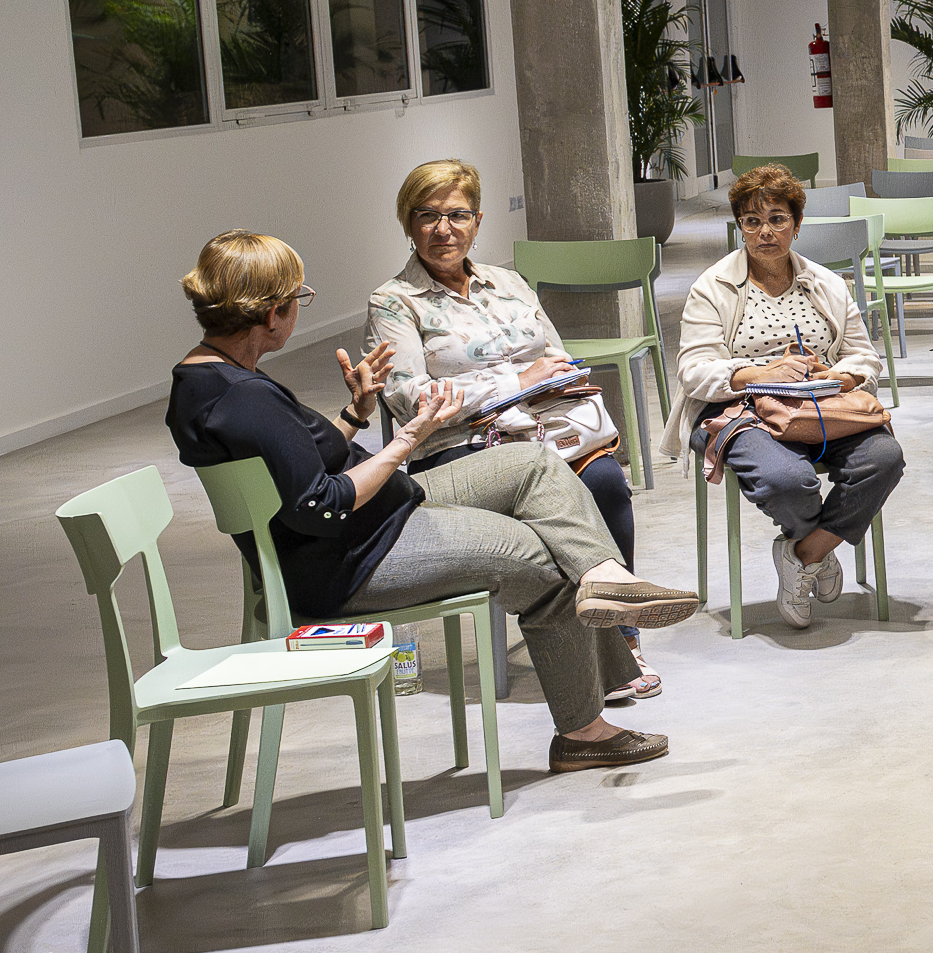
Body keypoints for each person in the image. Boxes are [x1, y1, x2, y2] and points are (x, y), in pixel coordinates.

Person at [165, 231, 693, 773]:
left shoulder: (207, 378)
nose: (299, 309)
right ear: (272, 312)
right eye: (298, 298)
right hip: (351, 559)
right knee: (543, 557)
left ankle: (604, 576)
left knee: (533, 464)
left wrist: (355, 414)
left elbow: (297, 468)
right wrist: (405, 441)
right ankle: (584, 733)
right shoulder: (243, 397)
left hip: (376, 519)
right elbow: (321, 506)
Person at [366, 158, 664, 705]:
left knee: (605, 482)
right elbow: (411, 399)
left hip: (548, 433)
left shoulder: (508, 282)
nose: (443, 229)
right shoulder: (393, 301)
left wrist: (551, 379)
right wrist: (516, 381)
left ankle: (621, 633)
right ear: (408, 224)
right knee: (557, 496)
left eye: (457, 215)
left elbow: (557, 357)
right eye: (427, 216)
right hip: (460, 450)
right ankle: (605, 646)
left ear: (477, 221)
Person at [665, 163, 905, 629]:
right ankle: (819, 549)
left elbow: (864, 357)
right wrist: (757, 372)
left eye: (777, 219)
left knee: (884, 458)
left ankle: (806, 552)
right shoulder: (712, 287)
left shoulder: (826, 283)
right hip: (740, 411)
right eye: (752, 221)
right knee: (786, 481)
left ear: (797, 224)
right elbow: (693, 371)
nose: (765, 232)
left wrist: (838, 376)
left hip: (821, 406)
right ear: (740, 227)